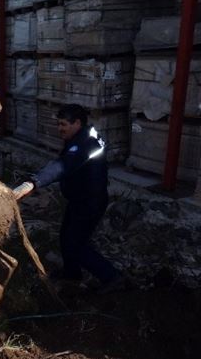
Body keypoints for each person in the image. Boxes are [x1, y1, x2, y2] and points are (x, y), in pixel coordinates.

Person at [13, 104, 123, 293]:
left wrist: (33, 183)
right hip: (80, 199)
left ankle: (112, 278)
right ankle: (72, 274)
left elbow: (62, 166)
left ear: (77, 123)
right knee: (66, 237)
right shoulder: (81, 137)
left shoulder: (85, 144)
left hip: (90, 203)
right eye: (58, 124)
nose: (59, 128)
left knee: (76, 244)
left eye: (63, 124)